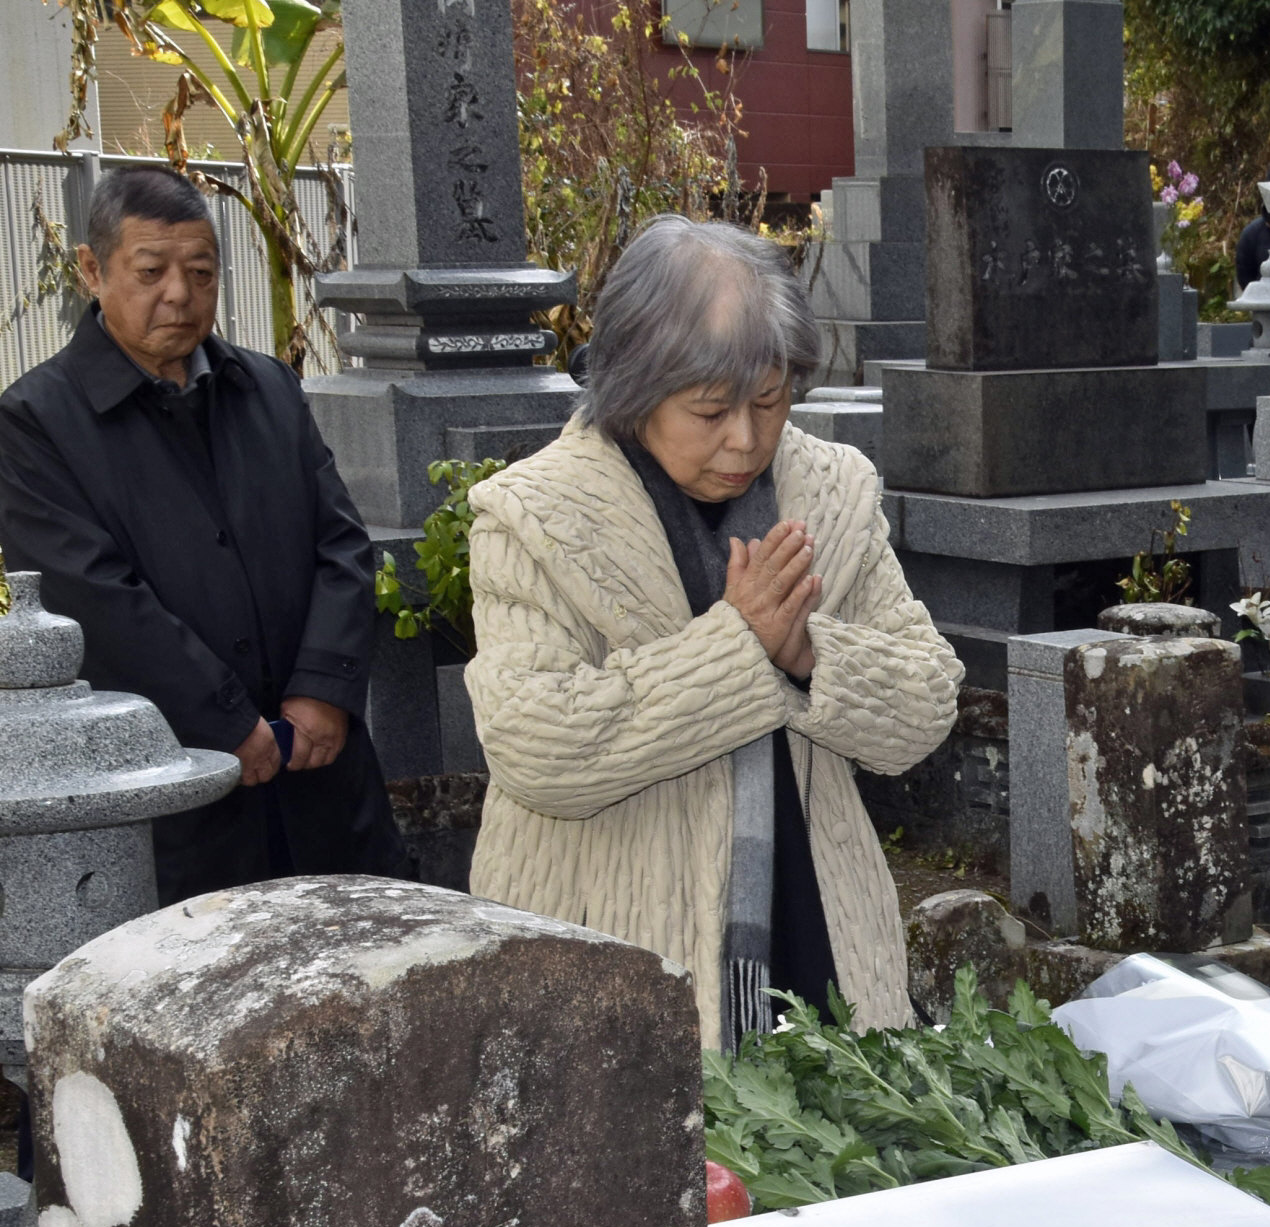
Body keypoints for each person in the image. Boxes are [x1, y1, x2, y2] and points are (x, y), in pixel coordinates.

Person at [463, 217, 963, 1047]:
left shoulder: (832, 491)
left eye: (769, 401)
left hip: (818, 918)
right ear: (631, 387)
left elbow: (927, 700)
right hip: (615, 932)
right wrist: (739, 649)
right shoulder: (534, 516)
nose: (746, 439)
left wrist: (807, 655)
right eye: (710, 410)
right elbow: (536, 744)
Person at [0, 164, 405, 903]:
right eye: (150, 271)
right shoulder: (36, 422)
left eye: (201, 272)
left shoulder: (271, 388)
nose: (180, 294)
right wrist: (224, 720)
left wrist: (322, 691)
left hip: (323, 773)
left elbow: (343, 546)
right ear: (93, 269)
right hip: (176, 788)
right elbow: (95, 601)